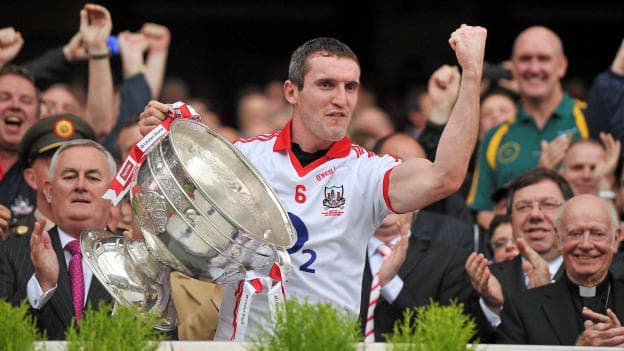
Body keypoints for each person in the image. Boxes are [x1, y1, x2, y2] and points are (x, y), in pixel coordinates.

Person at [138, 25, 487, 341]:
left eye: (350, 87)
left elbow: (447, 175)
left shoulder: (368, 173)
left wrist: (471, 74)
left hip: (325, 345)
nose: (341, 99)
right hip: (244, 344)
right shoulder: (243, 159)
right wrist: (163, 139)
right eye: (326, 85)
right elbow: (171, 211)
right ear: (291, 91)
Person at [467, 26, 590, 230]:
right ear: (513, 67)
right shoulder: (496, 135)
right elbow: (482, 210)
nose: (534, 68)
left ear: (561, 65)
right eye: (525, 59)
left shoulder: (588, 119)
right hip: (514, 257)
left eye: (543, 58)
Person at [0, 139, 115, 339]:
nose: (80, 185)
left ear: (114, 191)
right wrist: (41, 285)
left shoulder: (136, 256)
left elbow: (165, 339)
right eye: (70, 177)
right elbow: (5, 333)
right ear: (49, 192)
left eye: (93, 178)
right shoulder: (10, 253)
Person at [497, 194, 624, 346]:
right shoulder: (521, 309)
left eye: (598, 234)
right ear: (559, 240)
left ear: (615, 239)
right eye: (575, 233)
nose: (585, 245)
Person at [466, 167, 574, 333]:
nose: (535, 215)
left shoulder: (596, 273)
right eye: (523, 207)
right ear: (511, 219)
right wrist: (493, 306)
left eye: (548, 204)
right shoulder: (487, 279)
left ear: (570, 214)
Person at [9, 113, 97, 237]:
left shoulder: (110, 240)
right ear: (31, 178)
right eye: (55, 164)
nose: (74, 178)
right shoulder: (9, 239)